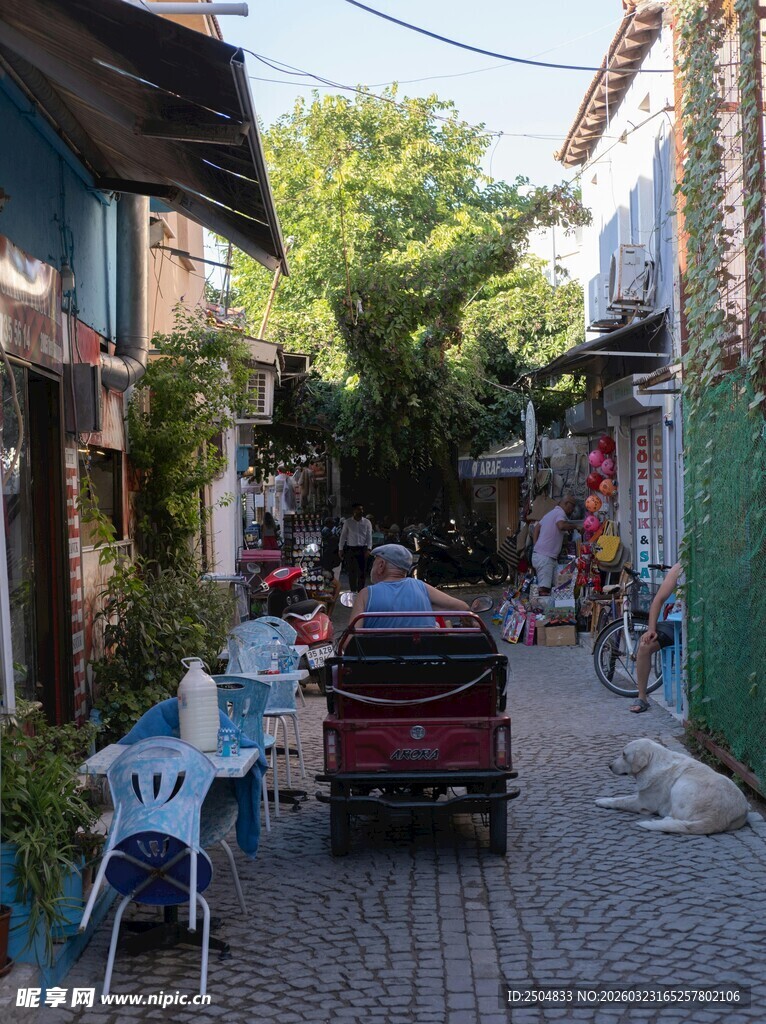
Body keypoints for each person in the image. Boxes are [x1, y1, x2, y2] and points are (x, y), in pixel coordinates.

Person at [351, 544, 470, 628]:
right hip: (421, 660)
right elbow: (463, 607)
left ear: (381, 565)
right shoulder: (422, 587)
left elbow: (349, 642)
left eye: (374, 562)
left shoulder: (365, 594)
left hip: (379, 662)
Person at [630, 562, 683, 713]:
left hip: (699, 625)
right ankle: (642, 697)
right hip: (675, 623)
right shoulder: (679, 568)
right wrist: (651, 629)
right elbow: (658, 600)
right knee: (645, 645)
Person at [531, 494, 580, 595]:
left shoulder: (551, 513)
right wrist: (576, 526)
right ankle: (542, 609)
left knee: (555, 587)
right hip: (545, 557)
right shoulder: (560, 513)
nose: (572, 511)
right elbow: (561, 526)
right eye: (571, 508)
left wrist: (536, 545)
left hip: (544, 556)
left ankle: (549, 608)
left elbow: (537, 528)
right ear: (566, 504)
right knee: (544, 589)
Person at [339, 502, 373, 592]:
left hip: (363, 549)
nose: (361, 511)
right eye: (359, 509)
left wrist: (369, 549)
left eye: (362, 509)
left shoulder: (367, 522)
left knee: (362, 571)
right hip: (351, 549)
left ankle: (361, 591)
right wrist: (340, 549)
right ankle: (353, 591)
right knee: (352, 572)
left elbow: (369, 536)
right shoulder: (348, 522)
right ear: (354, 511)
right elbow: (343, 536)